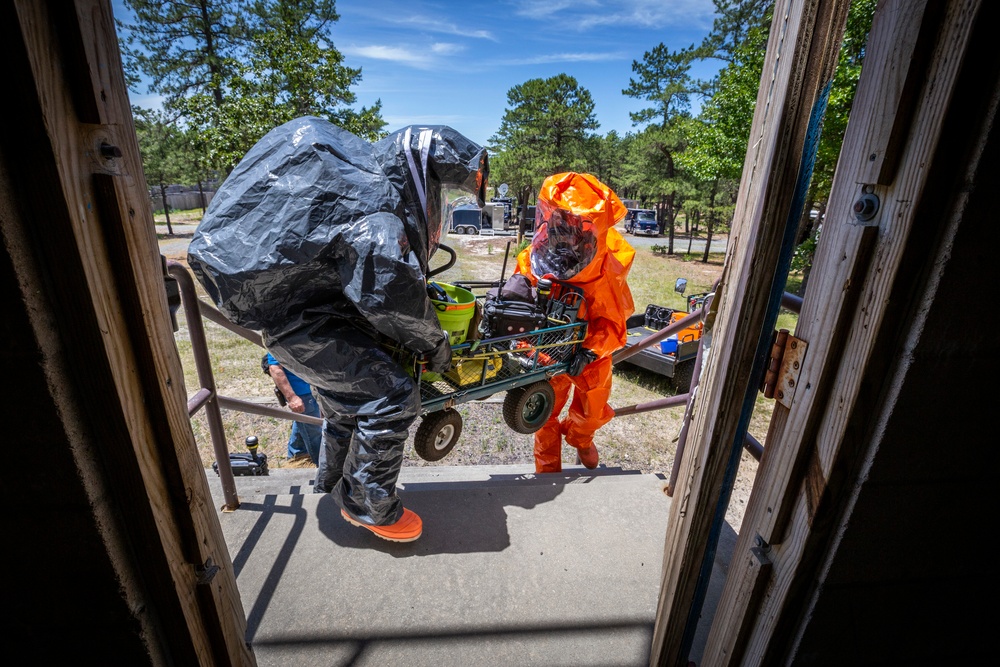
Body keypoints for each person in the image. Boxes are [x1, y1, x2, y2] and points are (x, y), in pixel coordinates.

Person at [188, 117, 488, 543]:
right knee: (393, 396)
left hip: (295, 313)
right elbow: (392, 297)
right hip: (305, 321)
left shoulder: (361, 177)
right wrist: (436, 345)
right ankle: (369, 506)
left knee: (346, 400)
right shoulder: (378, 210)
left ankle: (332, 482)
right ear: (421, 175)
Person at [512, 172, 635, 473]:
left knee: (592, 409)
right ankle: (548, 470)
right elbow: (520, 307)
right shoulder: (533, 260)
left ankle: (580, 438)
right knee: (544, 412)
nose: (566, 232)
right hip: (548, 349)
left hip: (589, 354)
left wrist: (590, 352)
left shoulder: (606, 269)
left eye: (574, 224)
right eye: (560, 220)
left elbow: (612, 321)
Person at [264, 352, 322, 467]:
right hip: (301, 393)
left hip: (312, 388)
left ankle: (297, 455)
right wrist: (292, 397)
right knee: (315, 432)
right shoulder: (279, 338)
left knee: (304, 423)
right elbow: (275, 368)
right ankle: (321, 466)